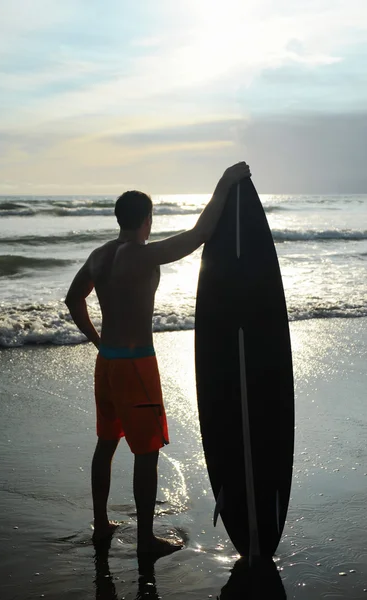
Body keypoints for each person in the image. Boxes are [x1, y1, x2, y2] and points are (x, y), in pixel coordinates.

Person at [65, 161, 251, 556]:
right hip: (137, 367)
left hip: (108, 365)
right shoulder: (144, 256)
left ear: (120, 219)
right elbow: (200, 233)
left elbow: (73, 299)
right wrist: (226, 180)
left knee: (105, 444)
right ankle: (146, 540)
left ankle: (101, 524)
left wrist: (97, 341)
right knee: (146, 454)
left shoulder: (99, 256)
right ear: (147, 219)